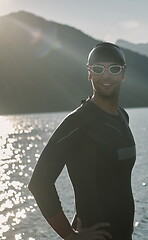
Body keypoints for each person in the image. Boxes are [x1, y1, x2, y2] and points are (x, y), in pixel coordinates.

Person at [29, 42, 136, 240]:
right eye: (98, 68)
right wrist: (70, 236)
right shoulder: (78, 123)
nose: (106, 75)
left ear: (123, 73)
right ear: (89, 73)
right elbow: (39, 182)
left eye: (113, 68)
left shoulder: (122, 117)